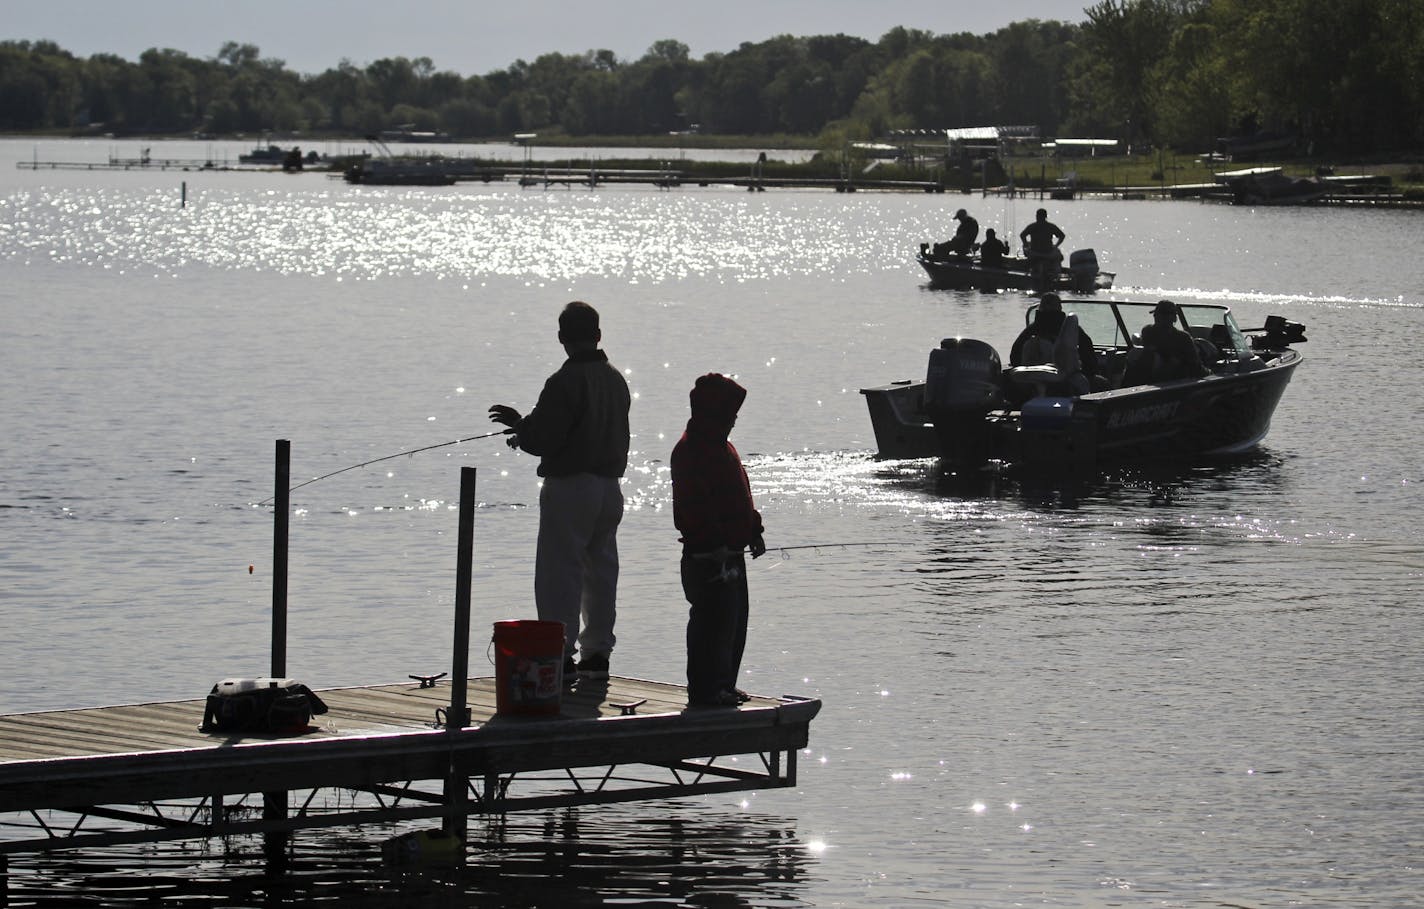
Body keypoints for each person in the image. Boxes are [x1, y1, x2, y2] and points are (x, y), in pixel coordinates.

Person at [488, 301, 631, 681]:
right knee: (601, 572)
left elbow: (543, 437)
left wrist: (520, 427)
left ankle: (560, 655)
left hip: (571, 488)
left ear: (561, 338)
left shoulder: (563, 381)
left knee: (559, 573)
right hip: (609, 489)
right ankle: (598, 654)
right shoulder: (616, 379)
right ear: (598, 335)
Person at [671, 373, 766, 709]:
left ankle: (725, 683)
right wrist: (714, 543)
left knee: (734, 621)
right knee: (710, 624)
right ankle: (705, 690)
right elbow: (694, 505)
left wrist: (753, 530)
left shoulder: (723, 447)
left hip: (732, 553)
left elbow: (741, 494)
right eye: (730, 414)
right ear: (712, 413)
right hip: (707, 557)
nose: (734, 421)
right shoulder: (690, 451)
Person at [1007, 293, 1098, 396]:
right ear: (1060, 308)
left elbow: (1014, 357)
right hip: (1065, 384)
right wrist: (1086, 372)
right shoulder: (1071, 330)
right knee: (1103, 383)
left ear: (1040, 308)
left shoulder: (1030, 331)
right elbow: (1090, 361)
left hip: (1030, 385)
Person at [1133, 299, 1208, 382]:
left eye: (1158, 315)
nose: (1155, 317)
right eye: (1157, 315)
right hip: (1171, 380)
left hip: (1159, 377)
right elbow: (1196, 366)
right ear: (1175, 319)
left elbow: (1194, 365)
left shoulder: (1147, 331)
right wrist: (1210, 373)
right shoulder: (1183, 337)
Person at [1019, 208, 1066, 290]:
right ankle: (1056, 273)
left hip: (1035, 252)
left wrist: (1026, 245)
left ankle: (1029, 273)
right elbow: (1062, 236)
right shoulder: (1050, 226)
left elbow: (1022, 235)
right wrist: (1056, 245)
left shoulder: (1033, 226)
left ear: (1037, 216)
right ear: (1045, 217)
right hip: (1048, 252)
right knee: (1059, 256)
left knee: (1026, 259)